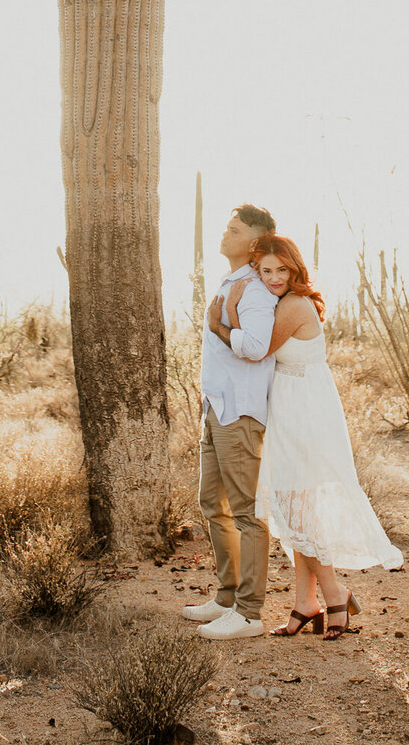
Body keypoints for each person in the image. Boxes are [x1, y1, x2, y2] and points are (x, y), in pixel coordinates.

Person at [209, 234, 402, 640]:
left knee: (300, 509)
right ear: (257, 269)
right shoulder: (281, 303)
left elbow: (256, 349)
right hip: (290, 410)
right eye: (267, 271)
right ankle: (304, 602)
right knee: (294, 508)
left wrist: (223, 317)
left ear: (295, 270)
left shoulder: (294, 306)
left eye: (283, 270)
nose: (275, 278)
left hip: (306, 413)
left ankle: (334, 593)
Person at [182, 202, 279, 641]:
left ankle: (249, 612)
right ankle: (225, 598)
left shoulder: (255, 290)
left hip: (238, 412)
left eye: (233, 228)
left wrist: (222, 326)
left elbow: (257, 346)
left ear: (254, 242)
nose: (224, 232)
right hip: (216, 408)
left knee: (245, 513)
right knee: (212, 506)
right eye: (226, 225)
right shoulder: (232, 281)